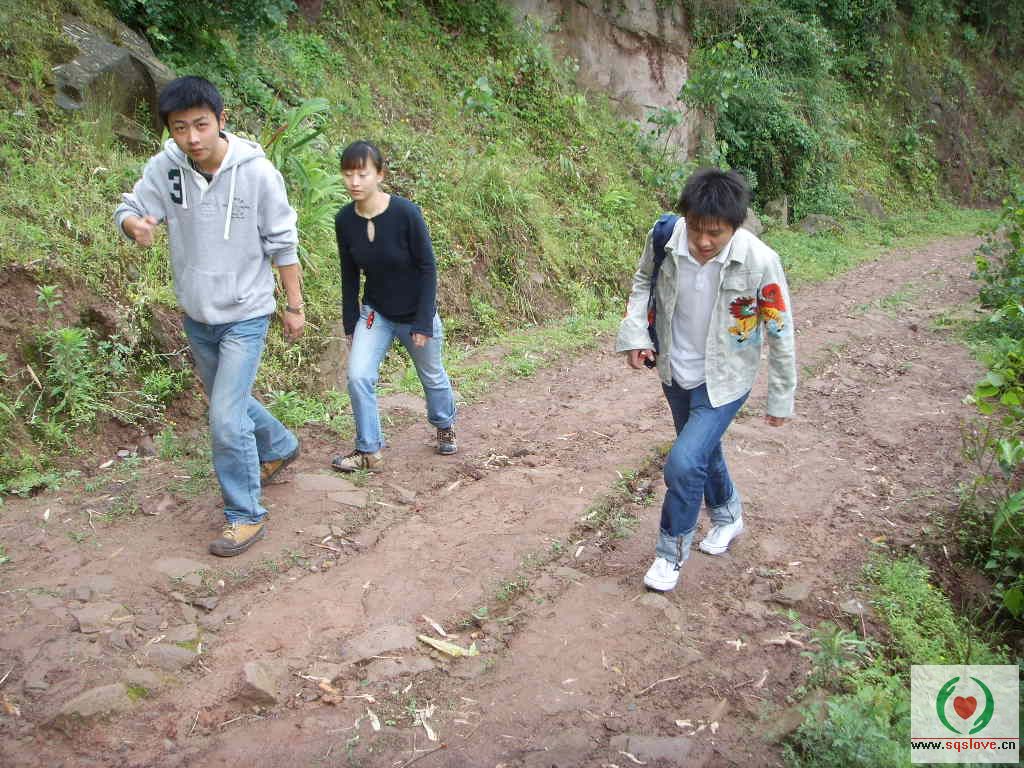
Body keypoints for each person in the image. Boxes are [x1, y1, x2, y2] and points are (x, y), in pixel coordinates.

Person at [115, 76, 304, 557]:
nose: (192, 137)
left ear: (221, 120)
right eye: (180, 128)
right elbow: (131, 206)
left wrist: (294, 306)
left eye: (201, 125)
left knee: (224, 417)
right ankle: (279, 445)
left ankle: (245, 515)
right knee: (230, 402)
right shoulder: (166, 168)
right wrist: (134, 224)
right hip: (197, 314)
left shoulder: (258, 174)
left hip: (246, 313)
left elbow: (283, 245)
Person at [616, 168, 797, 592]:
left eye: (715, 232)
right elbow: (642, 282)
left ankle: (670, 553)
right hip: (674, 371)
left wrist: (780, 397)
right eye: (696, 227)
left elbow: (780, 329)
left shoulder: (759, 261)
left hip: (726, 379)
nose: (702, 241)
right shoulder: (665, 238)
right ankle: (728, 515)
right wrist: (636, 333)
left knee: (683, 462)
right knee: (700, 451)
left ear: (736, 225)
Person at [331, 140, 457, 472]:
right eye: (348, 174)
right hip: (377, 313)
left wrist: (423, 321)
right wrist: (350, 324)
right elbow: (349, 275)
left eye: (362, 174)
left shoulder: (405, 213)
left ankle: (444, 424)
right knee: (358, 376)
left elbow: (428, 267)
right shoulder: (344, 220)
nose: (354, 182)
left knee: (432, 376)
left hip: (415, 312)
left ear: (380, 175)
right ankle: (368, 450)